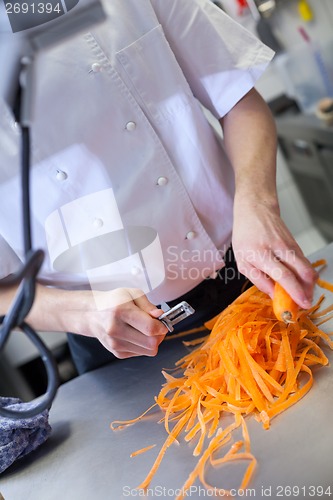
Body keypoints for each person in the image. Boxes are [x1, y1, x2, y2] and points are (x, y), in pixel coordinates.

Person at [0, 0, 317, 374]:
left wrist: (257, 204)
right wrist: (82, 313)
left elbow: (237, 99)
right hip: (116, 338)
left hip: (247, 278)